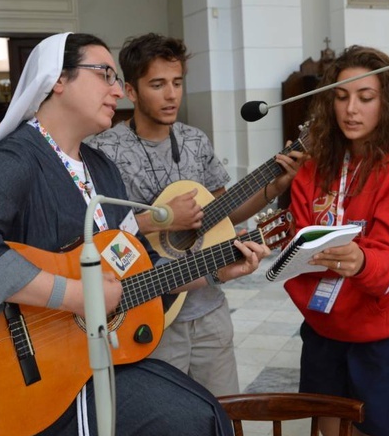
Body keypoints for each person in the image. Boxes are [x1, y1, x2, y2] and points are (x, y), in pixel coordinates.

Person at [0, 32, 270, 436]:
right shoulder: (17, 158)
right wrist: (74, 295)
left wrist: (216, 270)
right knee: (193, 420)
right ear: (58, 80)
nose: (117, 90)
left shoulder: (101, 169)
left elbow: (131, 266)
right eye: (105, 74)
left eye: (117, 79)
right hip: (33, 374)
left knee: (207, 412)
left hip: (88, 357)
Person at [87, 32, 303, 397]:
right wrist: (162, 219)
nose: (171, 95)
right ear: (131, 91)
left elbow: (225, 213)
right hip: (150, 314)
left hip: (209, 311)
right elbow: (98, 236)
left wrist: (276, 186)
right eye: (157, 84)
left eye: (177, 83)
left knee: (222, 413)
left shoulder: (194, 141)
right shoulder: (103, 150)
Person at [285, 45, 389, 436]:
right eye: (342, 96)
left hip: (384, 337)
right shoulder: (312, 170)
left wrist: (361, 263)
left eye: (366, 98)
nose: (351, 109)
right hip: (323, 333)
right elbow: (299, 252)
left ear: (388, 103)